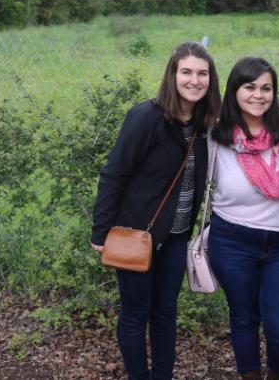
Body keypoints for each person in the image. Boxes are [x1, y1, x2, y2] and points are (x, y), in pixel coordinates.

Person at [90, 42, 221, 380]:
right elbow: (114, 173)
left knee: (165, 313)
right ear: (173, 75)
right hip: (137, 236)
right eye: (187, 72)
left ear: (211, 78)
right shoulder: (146, 117)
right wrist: (100, 232)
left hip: (176, 238)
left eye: (202, 73)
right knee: (135, 315)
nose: (195, 80)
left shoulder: (205, 124)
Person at [207, 57, 279, 380]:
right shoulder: (215, 133)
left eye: (266, 88)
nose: (258, 95)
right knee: (244, 318)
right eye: (250, 87)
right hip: (232, 240)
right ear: (234, 90)